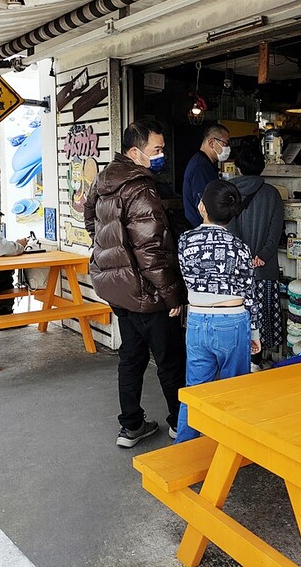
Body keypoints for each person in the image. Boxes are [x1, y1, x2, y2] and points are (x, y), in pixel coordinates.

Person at [84, 119, 187, 449]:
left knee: (131, 356)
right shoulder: (140, 188)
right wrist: (172, 296)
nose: (161, 155)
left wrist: (115, 259)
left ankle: (131, 426)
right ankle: (179, 424)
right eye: (156, 150)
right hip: (146, 292)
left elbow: (91, 222)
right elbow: (150, 250)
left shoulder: (104, 180)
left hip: (117, 289)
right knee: (170, 360)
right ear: (134, 152)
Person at [175, 179, 260, 442]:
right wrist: (255, 332)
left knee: (195, 391)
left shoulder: (185, 241)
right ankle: (231, 447)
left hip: (198, 318)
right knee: (235, 390)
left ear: (202, 207)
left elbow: (187, 278)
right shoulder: (241, 248)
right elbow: (250, 293)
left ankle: (184, 449)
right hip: (233, 321)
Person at [227, 144, 284, 369]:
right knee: (261, 318)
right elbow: (275, 231)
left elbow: (229, 228)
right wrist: (261, 255)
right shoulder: (272, 193)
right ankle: (257, 362)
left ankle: (239, 364)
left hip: (236, 272)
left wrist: (244, 256)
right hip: (264, 269)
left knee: (237, 317)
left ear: (238, 167)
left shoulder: (228, 192)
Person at [182, 124, 229, 228]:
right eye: (225, 143)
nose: (227, 148)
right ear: (212, 142)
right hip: (201, 229)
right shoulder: (200, 167)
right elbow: (203, 204)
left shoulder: (204, 164)